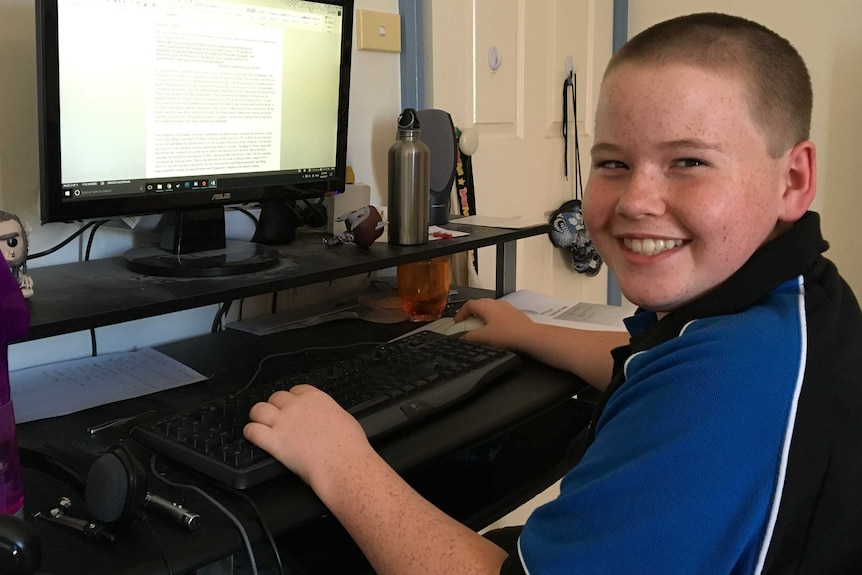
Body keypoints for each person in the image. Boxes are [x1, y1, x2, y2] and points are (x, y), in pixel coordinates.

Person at [244, 12, 862, 574]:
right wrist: (531, 333)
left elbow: (699, 382)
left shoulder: (736, 372)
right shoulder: (793, 299)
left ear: (794, 178)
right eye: (613, 163)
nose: (636, 201)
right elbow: (666, 359)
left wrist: (338, 461)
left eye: (689, 162)